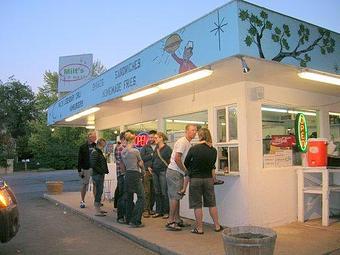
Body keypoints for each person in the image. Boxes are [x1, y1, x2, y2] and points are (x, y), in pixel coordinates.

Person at [184, 128, 223, 234]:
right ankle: (217, 226)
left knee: (197, 205)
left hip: (195, 179)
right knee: (212, 203)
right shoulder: (213, 150)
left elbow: (186, 163)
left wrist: (193, 166)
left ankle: (199, 228)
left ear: (199, 136)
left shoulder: (194, 148)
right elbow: (212, 166)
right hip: (208, 179)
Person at [166, 124, 197, 231]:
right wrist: (185, 171)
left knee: (177, 196)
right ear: (186, 131)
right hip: (174, 171)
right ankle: (170, 221)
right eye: (192, 130)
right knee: (174, 197)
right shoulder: (182, 142)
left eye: (195, 130)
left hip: (177, 172)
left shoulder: (187, 143)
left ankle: (178, 219)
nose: (194, 132)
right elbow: (177, 158)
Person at [122, 133, 146, 228]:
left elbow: (123, 164)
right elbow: (140, 163)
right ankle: (135, 220)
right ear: (133, 140)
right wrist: (143, 170)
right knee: (141, 197)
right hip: (135, 174)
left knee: (129, 197)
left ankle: (128, 219)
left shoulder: (123, 151)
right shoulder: (135, 151)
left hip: (127, 174)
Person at [151, 132, 172, 219]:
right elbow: (154, 158)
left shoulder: (167, 149)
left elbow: (171, 160)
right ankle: (158, 211)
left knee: (164, 192)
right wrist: (151, 166)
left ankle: (166, 212)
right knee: (157, 192)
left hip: (163, 171)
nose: (154, 139)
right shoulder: (156, 148)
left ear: (161, 138)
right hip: (155, 171)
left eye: (156, 138)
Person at [90, 138, 109, 216]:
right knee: (99, 191)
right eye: (104, 144)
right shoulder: (96, 152)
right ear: (101, 144)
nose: (105, 145)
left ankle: (98, 209)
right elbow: (93, 164)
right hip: (97, 175)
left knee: (100, 191)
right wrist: (101, 171)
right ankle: (97, 210)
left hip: (99, 174)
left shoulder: (98, 151)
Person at [77, 131, 97, 209]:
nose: (95, 138)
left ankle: (96, 201)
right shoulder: (83, 147)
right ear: (89, 137)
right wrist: (79, 170)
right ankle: (82, 201)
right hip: (86, 168)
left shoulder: (96, 146)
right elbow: (79, 159)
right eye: (94, 136)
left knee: (95, 184)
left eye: (95, 137)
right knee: (84, 184)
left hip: (95, 168)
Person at [140, 130, 157, 218]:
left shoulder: (158, 147)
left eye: (152, 137)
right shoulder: (145, 147)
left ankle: (150, 209)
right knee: (146, 191)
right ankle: (145, 210)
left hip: (156, 172)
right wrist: (151, 154)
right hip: (146, 172)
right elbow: (141, 159)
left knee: (153, 192)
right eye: (149, 137)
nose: (151, 139)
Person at [114, 131, 129, 223]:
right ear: (124, 138)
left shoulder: (126, 148)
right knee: (122, 195)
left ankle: (125, 215)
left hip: (125, 175)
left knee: (126, 195)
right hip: (122, 175)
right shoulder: (120, 148)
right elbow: (122, 163)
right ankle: (120, 217)